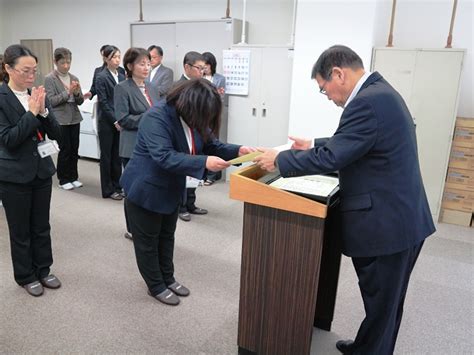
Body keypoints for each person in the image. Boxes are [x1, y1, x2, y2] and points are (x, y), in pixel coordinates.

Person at [254, 45, 435, 354]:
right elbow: (360, 140)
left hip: (388, 225)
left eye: (325, 90)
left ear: (338, 73)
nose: (330, 98)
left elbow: (335, 155)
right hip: (400, 217)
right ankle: (366, 346)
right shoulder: (379, 93)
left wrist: (281, 160)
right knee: (384, 304)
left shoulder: (366, 103)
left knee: (383, 305)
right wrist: (311, 143)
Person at [120, 79, 254, 306]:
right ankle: (155, 285)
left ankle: (168, 278)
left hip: (171, 187)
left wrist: (238, 150)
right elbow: (164, 156)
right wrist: (205, 162)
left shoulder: (193, 115)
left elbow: (212, 145)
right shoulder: (157, 117)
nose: (205, 121)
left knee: (167, 236)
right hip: (146, 189)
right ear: (190, 105)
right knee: (148, 242)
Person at [0, 44, 62, 297]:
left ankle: (43, 269)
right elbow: (10, 139)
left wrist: (44, 111)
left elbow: (57, 134)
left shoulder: (36, 94)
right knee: (20, 229)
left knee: (41, 225)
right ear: (7, 68)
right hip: (13, 175)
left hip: (41, 170)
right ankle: (26, 275)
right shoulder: (2, 98)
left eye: (34, 70)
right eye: (25, 70)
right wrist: (32, 112)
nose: (31, 75)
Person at [114, 47, 152, 240]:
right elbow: (123, 119)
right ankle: (132, 229)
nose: (146, 67)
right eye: (141, 63)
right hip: (132, 146)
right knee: (133, 189)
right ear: (130, 66)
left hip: (152, 146)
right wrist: (149, 117)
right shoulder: (122, 88)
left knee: (148, 188)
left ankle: (146, 225)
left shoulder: (151, 87)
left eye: (148, 63)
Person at [44, 47, 84, 191]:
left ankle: (74, 177)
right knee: (65, 149)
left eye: (68, 62)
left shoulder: (74, 78)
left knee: (74, 149)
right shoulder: (50, 78)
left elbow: (79, 101)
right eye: (62, 63)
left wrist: (78, 92)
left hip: (74, 117)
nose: (66, 66)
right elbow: (51, 101)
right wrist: (68, 92)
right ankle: (63, 179)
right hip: (60, 119)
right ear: (56, 62)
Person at [175, 51, 208, 222]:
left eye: (204, 68)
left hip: (197, 134)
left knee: (194, 169)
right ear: (187, 67)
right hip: (182, 136)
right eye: (199, 68)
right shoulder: (178, 86)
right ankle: (180, 206)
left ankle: (191, 203)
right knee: (183, 171)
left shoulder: (201, 85)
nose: (202, 72)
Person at [96, 45, 125, 200]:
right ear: (106, 59)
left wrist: (121, 118)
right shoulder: (101, 76)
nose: (117, 60)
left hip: (120, 120)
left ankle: (118, 185)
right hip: (107, 122)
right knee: (106, 156)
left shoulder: (121, 74)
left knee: (117, 155)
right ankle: (108, 189)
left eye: (119, 57)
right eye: (114, 57)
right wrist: (114, 120)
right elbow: (104, 102)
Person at [202, 51, 226, 186]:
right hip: (199, 115)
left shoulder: (219, 79)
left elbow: (220, 98)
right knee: (201, 144)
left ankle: (212, 176)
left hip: (213, 115)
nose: (204, 68)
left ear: (212, 65)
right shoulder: (199, 78)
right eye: (202, 65)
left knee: (213, 144)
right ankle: (202, 173)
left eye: (207, 65)